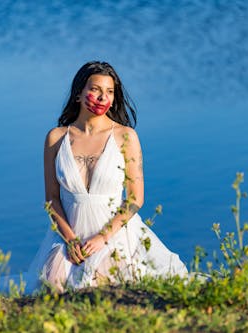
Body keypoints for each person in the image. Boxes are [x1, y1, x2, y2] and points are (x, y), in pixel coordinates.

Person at [24, 61, 188, 293]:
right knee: (54, 288)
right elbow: (51, 199)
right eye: (96, 90)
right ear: (78, 94)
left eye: (109, 92)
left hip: (114, 235)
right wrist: (70, 240)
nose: (103, 98)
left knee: (112, 289)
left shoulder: (126, 136)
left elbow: (134, 199)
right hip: (70, 238)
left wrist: (103, 238)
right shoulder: (56, 138)